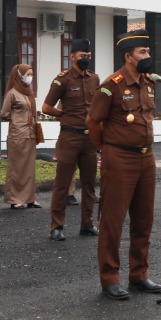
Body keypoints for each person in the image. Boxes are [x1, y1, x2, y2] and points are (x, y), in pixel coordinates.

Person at [87, 29, 161, 300]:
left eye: (148, 52)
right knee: (113, 220)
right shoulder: (112, 85)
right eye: (143, 52)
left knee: (144, 219)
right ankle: (110, 278)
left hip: (147, 157)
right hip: (119, 158)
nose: (148, 56)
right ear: (129, 57)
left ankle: (139, 275)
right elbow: (93, 122)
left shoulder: (147, 82)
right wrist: (104, 149)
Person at [42, 38, 100, 241]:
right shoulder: (62, 79)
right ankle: (56, 227)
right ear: (72, 56)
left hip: (89, 140)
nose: (86, 59)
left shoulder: (95, 79)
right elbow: (46, 107)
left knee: (89, 183)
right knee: (63, 183)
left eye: (88, 56)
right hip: (69, 137)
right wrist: (64, 115)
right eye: (82, 56)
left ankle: (87, 224)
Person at [1, 64, 41, 210]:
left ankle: (30, 198)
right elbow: (4, 114)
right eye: (27, 74)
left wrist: (38, 134)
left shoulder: (29, 92)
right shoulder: (12, 93)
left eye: (31, 74)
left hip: (30, 134)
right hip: (17, 135)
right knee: (16, 168)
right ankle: (15, 199)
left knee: (29, 168)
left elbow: (34, 114)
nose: (30, 77)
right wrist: (18, 120)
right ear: (18, 75)